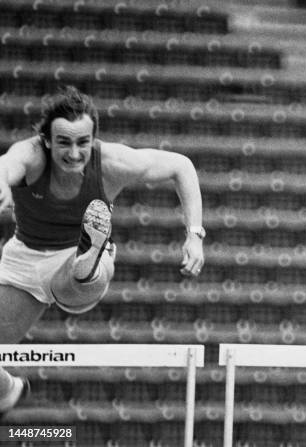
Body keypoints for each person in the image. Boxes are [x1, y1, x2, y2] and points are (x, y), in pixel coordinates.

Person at [0, 86, 206, 412]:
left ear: (93, 139)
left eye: (83, 142)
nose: (74, 153)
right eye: (64, 143)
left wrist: (194, 235)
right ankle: (7, 390)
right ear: (48, 140)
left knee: (74, 276)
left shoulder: (111, 162)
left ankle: (88, 260)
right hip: (25, 259)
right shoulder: (32, 155)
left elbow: (181, 166)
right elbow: (7, 164)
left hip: (76, 263)